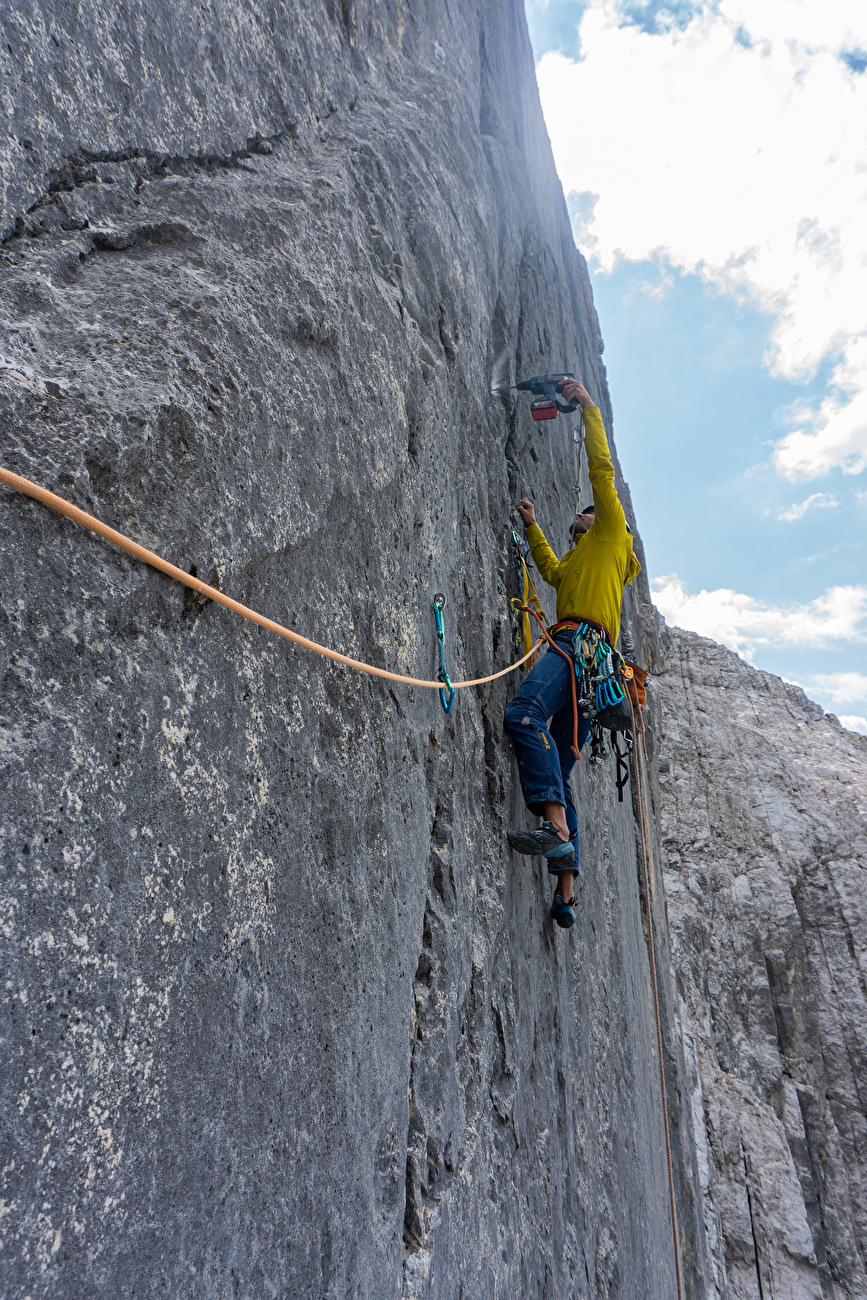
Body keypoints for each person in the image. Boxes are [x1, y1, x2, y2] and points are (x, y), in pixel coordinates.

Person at [504, 379, 641, 929]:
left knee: (523, 714)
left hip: (577, 647)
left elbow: (601, 473)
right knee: (558, 768)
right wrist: (535, 528)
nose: (580, 516)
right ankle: (565, 893)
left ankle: (557, 832)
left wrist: (587, 408)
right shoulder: (584, 560)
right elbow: (553, 573)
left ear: (599, 518)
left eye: (585, 514)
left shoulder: (612, 537)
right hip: (591, 666)